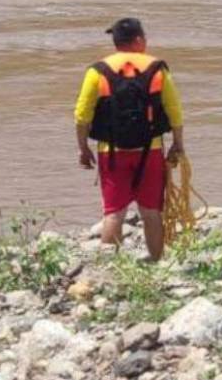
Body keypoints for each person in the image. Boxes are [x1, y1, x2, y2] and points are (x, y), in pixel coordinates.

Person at [73, 17, 185, 261]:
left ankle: (111, 267)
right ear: (138, 40)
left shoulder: (97, 70)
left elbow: (82, 115)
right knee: (151, 212)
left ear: (116, 42)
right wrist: (178, 144)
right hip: (151, 150)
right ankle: (157, 262)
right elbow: (174, 109)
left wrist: (83, 148)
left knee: (113, 213)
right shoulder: (157, 68)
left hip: (110, 152)